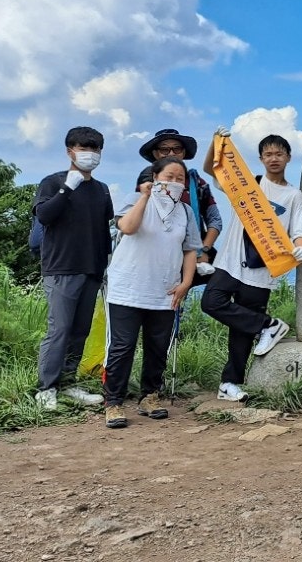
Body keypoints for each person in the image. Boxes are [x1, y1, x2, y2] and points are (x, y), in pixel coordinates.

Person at [200, 132, 302, 403]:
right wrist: (216, 143)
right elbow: (210, 169)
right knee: (210, 302)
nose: (274, 159)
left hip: (262, 269)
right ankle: (268, 325)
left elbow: (300, 230)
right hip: (229, 261)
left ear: (288, 157)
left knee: (241, 332)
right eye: (268, 154)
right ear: (261, 158)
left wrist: (301, 248)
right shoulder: (249, 184)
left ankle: (230, 383)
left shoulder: (293, 195)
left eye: (279, 154)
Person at [101, 158, 201, 428]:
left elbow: (190, 250)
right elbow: (127, 227)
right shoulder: (135, 199)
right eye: (169, 176)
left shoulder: (186, 212)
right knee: (122, 346)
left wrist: (186, 283)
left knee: (158, 346)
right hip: (127, 289)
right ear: (155, 176)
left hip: (165, 290)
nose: (175, 182)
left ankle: (149, 396)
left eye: (180, 178)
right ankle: (113, 402)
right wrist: (145, 196)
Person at [31, 126, 112, 411]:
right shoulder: (52, 183)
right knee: (60, 329)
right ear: (70, 151)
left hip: (92, 268)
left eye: (95, 149)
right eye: (83, 148)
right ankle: (46, 388)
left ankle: (67, 383)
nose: (90, 154)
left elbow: (103, 229)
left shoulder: (102, 190)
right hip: (61, 268)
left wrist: (106, 265)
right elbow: (44, 215)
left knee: (80, 331)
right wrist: (68, 188)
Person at [138, 128, 223, 272]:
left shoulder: (197, 183)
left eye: (176, 149)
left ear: (183, 152)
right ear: (156, 154)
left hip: (195, 255)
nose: (171, 153)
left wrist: (203, 249)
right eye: (164, 150)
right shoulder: (147, 181)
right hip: (158, 256)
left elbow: (215, 220)